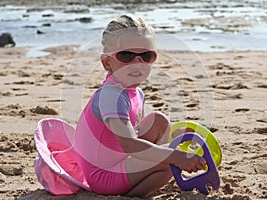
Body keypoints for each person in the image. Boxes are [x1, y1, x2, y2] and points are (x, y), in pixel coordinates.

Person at [75, 13, 206, 197]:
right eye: (126, 56)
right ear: (107, 63)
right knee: (168, 162)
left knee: (158, 121)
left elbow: (133, 132)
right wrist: (174, 156)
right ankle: (132, 196)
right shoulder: (112, 96)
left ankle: (153, 172)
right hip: (104, 177)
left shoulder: (134, 91)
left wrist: (177, 140)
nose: (137, 63)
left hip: (118, 159)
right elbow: (129, 144)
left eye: (146, 55)